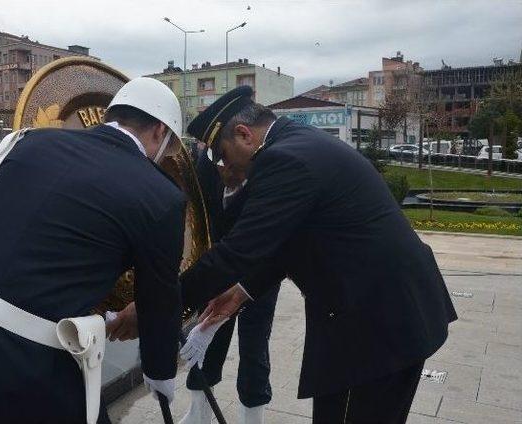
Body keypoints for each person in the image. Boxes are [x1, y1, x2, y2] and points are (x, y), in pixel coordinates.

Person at [0, 77, 185, 424]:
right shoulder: (162, 198)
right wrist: (160, 373)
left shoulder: (27, 143)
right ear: (160, 132)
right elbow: (159, 300)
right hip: (22, 372)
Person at [179, 86, 458, 423]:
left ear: (243, 134)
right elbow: (286, 245)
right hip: (361, 313)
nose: (224, 166)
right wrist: (240, 293)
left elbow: (238, 251)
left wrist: (159, 303)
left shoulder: (284, 160)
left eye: (221, 155)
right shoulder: (297, 143)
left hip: (381, 324)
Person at [179, 148, 281, 424]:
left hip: (259, 275)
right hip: (217, 268)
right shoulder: (204, 161)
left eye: (232, 167)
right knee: (205, 342)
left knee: (254, 347)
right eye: (219, 165)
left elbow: (275, 236)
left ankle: (253, 415)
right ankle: (199, 412)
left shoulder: (270, 169)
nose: (225, 172)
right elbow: (199, 217)